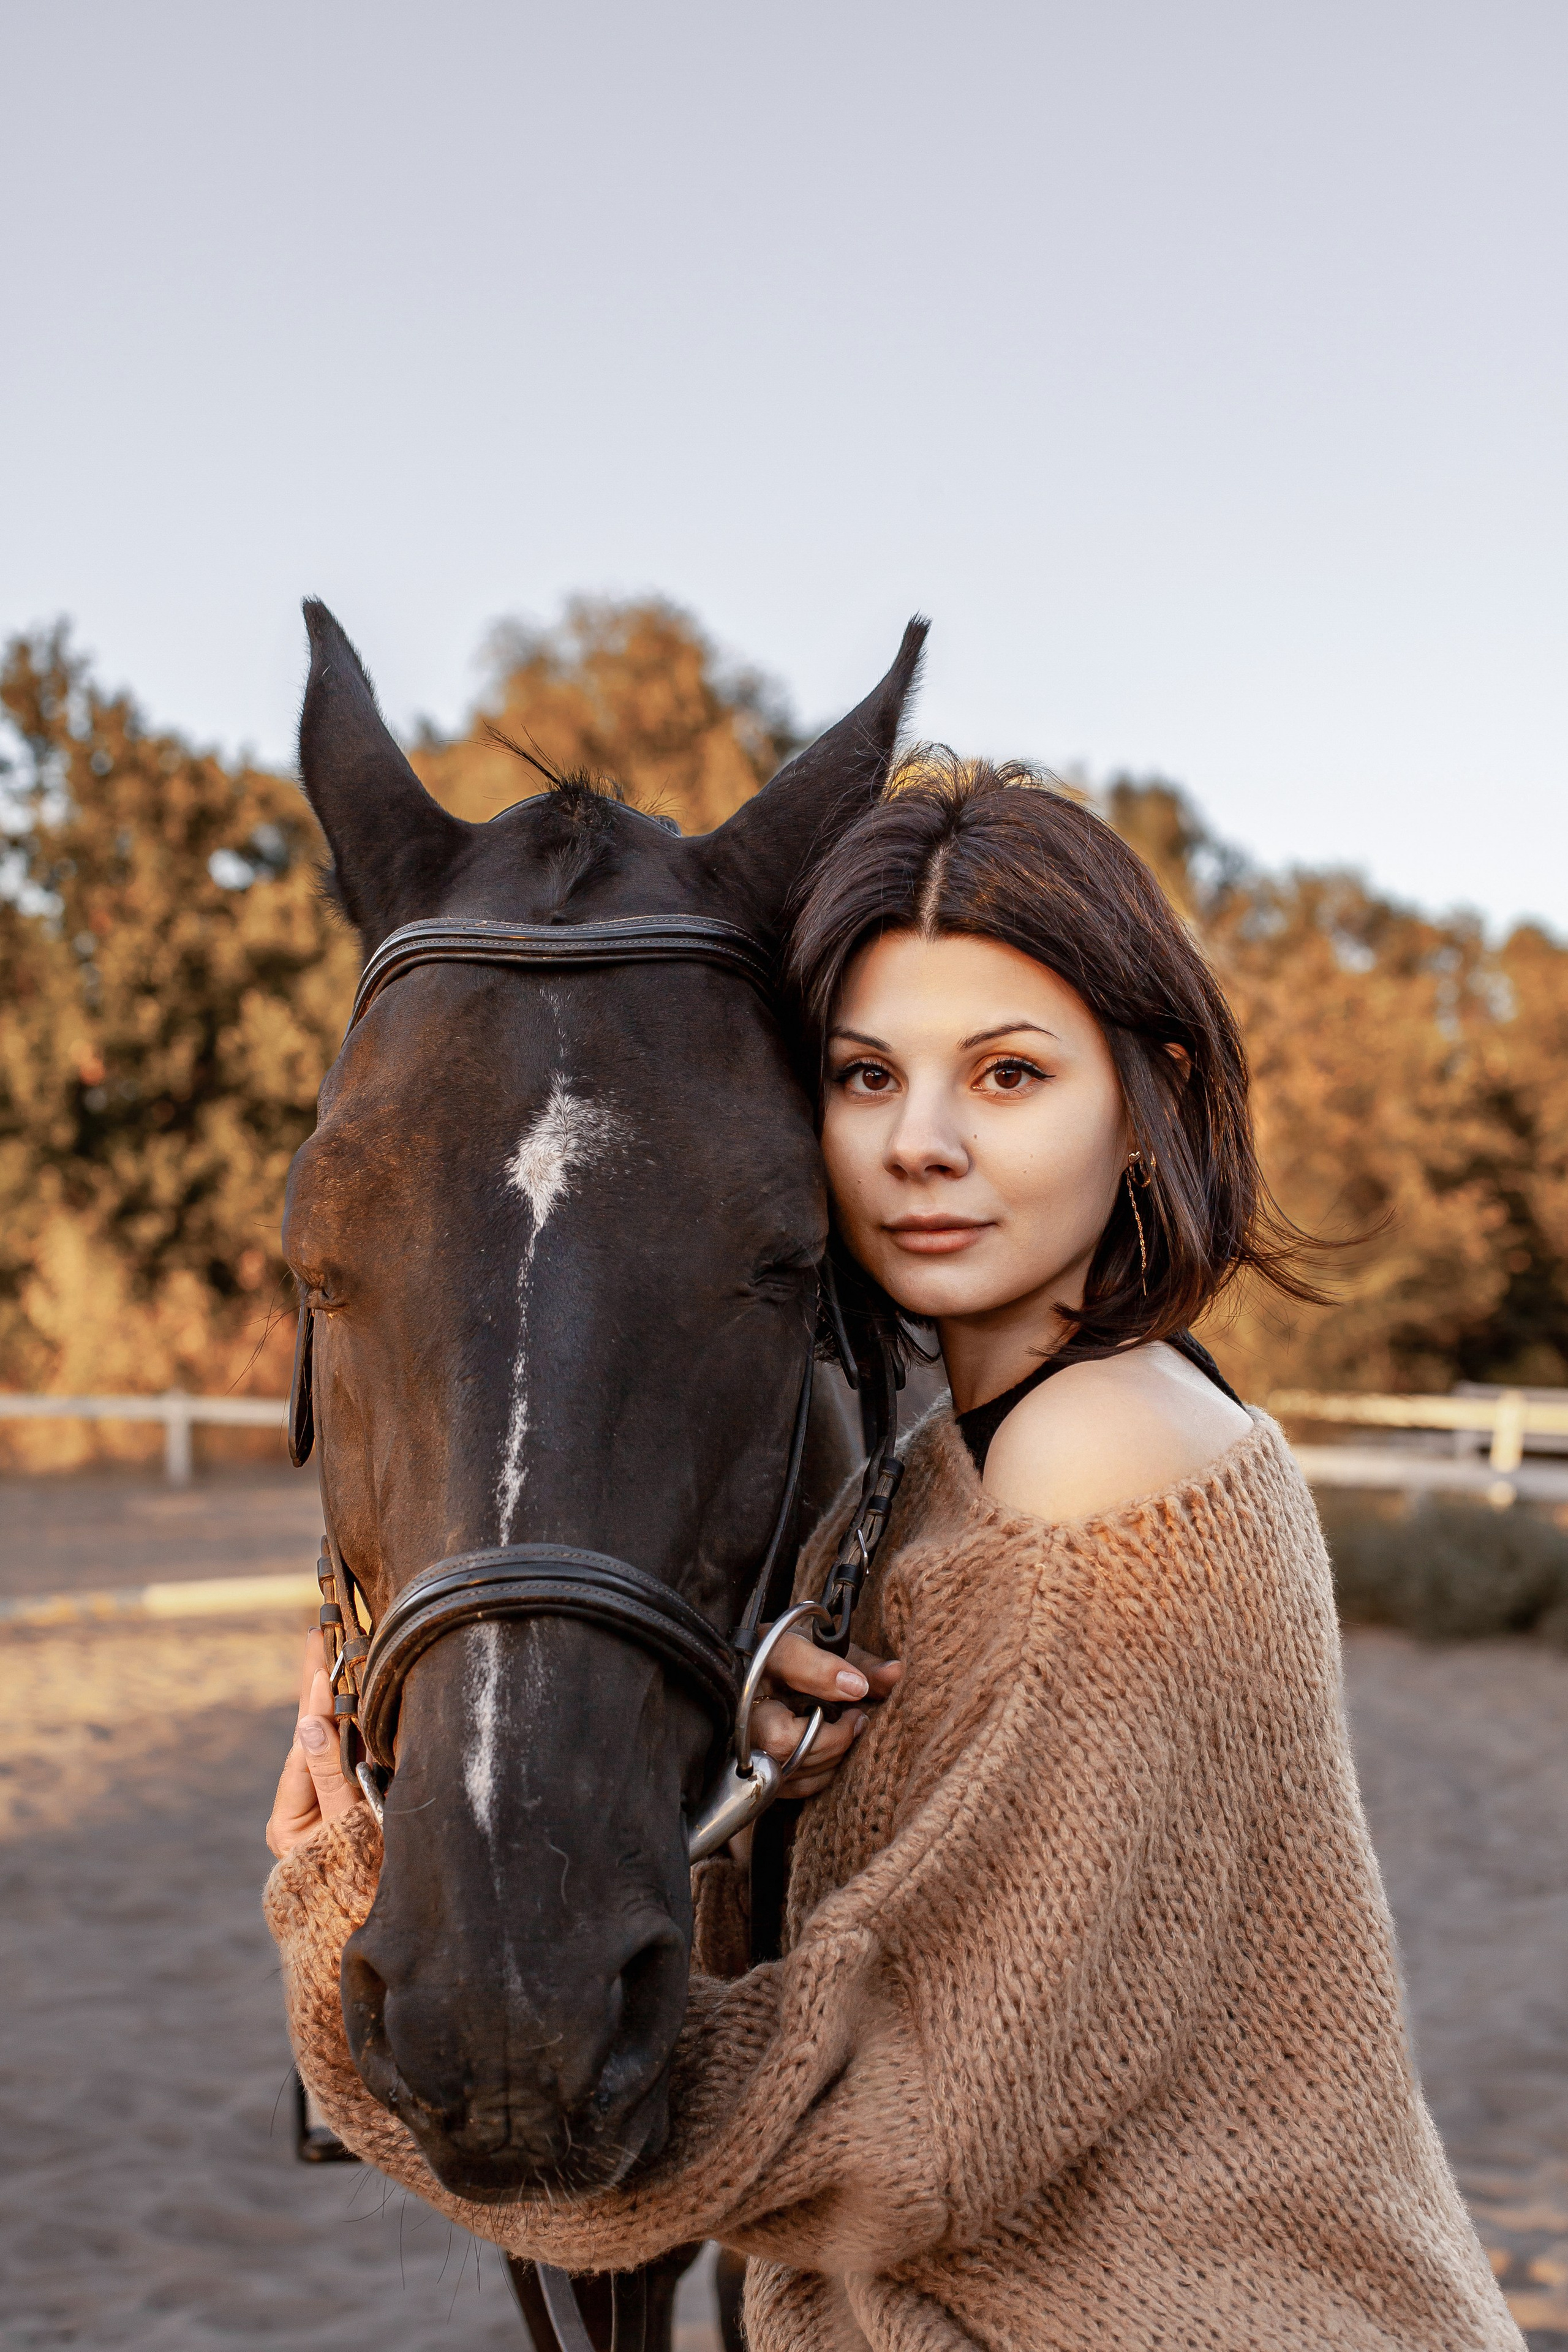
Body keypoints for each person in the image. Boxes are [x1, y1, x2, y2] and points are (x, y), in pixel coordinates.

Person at [266, 756, 1520, 2351]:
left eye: (1006, 1076)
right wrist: (785, 1780)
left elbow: (902, 2129)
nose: (922, 1141)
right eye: (866, 1077)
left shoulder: (1114, 1462)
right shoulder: (948, 1469)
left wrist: (333, 1935)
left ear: (1146, 1103)